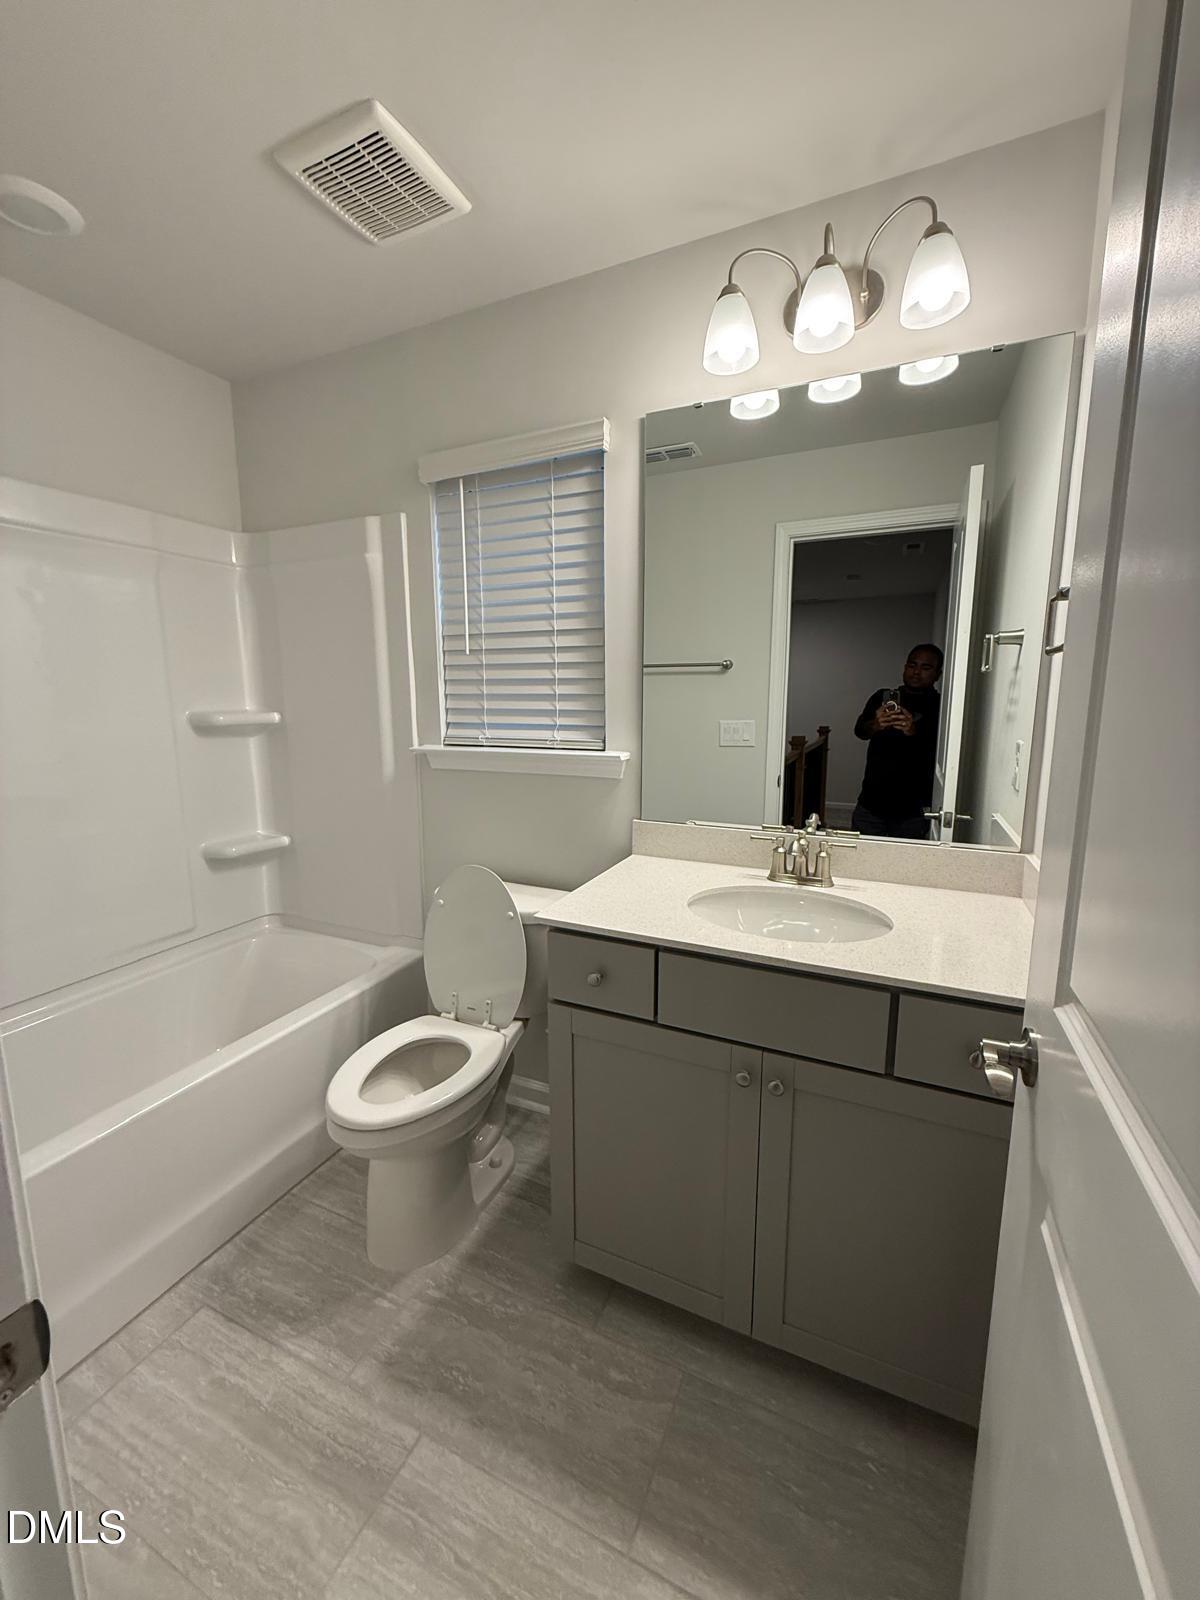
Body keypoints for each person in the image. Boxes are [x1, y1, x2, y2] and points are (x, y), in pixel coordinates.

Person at [851, 644, 943, 839]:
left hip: (912, 810)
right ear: (905, 667)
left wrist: (913, 731)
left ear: (938, 674)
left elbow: (940, 751)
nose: (916, 672)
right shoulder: (881, 697)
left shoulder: (941, 706)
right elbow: (859, 731)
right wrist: (875, 724)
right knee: (861, 862)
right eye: (912, 665)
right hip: (871, 803)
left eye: (926, 668)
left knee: (903, 866)